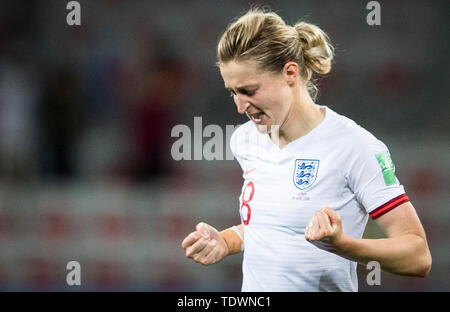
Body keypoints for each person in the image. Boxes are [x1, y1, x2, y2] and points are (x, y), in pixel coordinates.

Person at [181, 8, 432, 291]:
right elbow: (274, 228)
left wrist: (343, 245)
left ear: (290, 72)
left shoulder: (354, 147)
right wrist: (226, 241)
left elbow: (418, 256)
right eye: (232, 92)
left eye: (249, 91)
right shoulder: (246, 140)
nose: (239, 106)